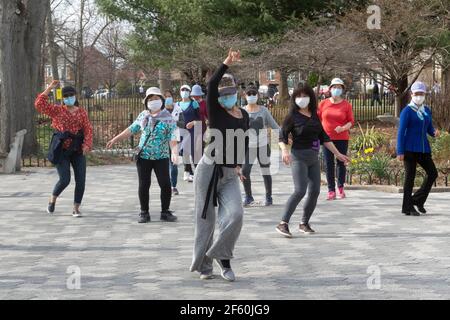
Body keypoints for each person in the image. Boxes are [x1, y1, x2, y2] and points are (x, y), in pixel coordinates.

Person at [190, 49, 249, 282]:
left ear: (236, 94)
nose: (227, 98)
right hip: (208, 169)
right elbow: (212, 83)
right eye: (222, 95)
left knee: (235, 215)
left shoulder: (243, 114)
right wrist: (226, 62)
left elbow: (242, 142)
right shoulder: (215, 111)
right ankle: (206, 267)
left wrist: (238, 165)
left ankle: (220, 255)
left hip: (230, 173)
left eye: (230, 94)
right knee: (206, 220)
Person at [276, 84, 350, 237]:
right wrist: (284, 151)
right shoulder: (292, 116)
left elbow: (324, 138)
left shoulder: (315, 115)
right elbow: (282, 137)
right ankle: (283, 223)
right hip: (298, 157)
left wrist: (338, 154)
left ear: (310, 98)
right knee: (300, 190)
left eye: (304, 96)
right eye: (298, 96)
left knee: (315, 191)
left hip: (313, 158)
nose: (301, 99)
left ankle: (304, 223)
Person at [106, 87, 178, 223]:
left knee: (165, 184)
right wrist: (115, 139)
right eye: (150, 99)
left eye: (156, 98)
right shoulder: (143, 115)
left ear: (161, 100)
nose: (153, 101)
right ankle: (144, 212)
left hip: (161, 157)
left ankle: (165, 212)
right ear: (146, 102)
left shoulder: (168, 117)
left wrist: (174, 153)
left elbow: (173, 137)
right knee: (144, 184)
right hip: (144, 156)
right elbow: (131, 130)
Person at [34, 80, 93, 218]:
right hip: (61, 149)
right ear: (62, 98)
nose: (69, 98)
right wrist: (49, 88)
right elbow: (39, 104)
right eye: (66, 96)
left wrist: (87, 144)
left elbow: (88, 129)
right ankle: (52, 199)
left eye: (71, 95)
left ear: (76, 96)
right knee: (65, 179)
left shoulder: (82, 113)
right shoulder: (57, 110)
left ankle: (76, 208)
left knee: (81, 180)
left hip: (78, 149)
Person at [397, 81, 440, 216]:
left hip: (423, 149)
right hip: (409, 149)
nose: (419, 96)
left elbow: (429, 128)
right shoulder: (407, 111)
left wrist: (434, 133)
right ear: (411, 94)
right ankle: (407, 207)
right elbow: (401, 132)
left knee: (433, 173)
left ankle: (417, 200)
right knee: (410, 178)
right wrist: (400, 151)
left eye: (422, 94)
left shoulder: (426, 110)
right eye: (417, 94)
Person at [242, 85, 280, 207]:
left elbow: (274, 125)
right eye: (249, 94)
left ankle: (269, 196)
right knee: (245, 171)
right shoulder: (242, 111)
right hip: (249, 147)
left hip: (263, 145)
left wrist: (284, 136)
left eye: (254, 94)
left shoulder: (263, 110)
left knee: (265, 171)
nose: (252, 96)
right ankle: (248, 196)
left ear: (258, 96)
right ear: (245, 96)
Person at [318, 78, 355, 200]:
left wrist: (343, 128)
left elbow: (351, 121)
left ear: (342, 90)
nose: (336, 89)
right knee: (328, 164)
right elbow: (317, 120)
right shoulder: (323, 104)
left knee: (341, 162)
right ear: (330, 89)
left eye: (339, 87)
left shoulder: (346, 105)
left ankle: (340, 187)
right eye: (334, 87)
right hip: (326, 139)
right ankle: (331, 190)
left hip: (342, 138)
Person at [178, 85, 202, 183]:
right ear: (180, 91)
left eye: (186, 90)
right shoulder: (177, 105)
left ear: (190, 92)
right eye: (182, 90)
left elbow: (199, 119)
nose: (184, 91)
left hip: (192, 131)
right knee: (184, 152)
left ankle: (198, 173)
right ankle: (188, 172)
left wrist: (192, 123)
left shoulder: (194, 103)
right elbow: (175, 119)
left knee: (193, 152)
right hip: (181, 131)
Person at [165, 89, 185, 195]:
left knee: (174, 163)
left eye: (169, 96)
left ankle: (174, 186)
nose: (168, 98)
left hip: (175, 138)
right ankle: (166, 186)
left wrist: (174, 121)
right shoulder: (160, 110)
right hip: (163, 139)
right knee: (164, 164)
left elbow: (183, 123)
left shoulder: (178, 109)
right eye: (166, 97)